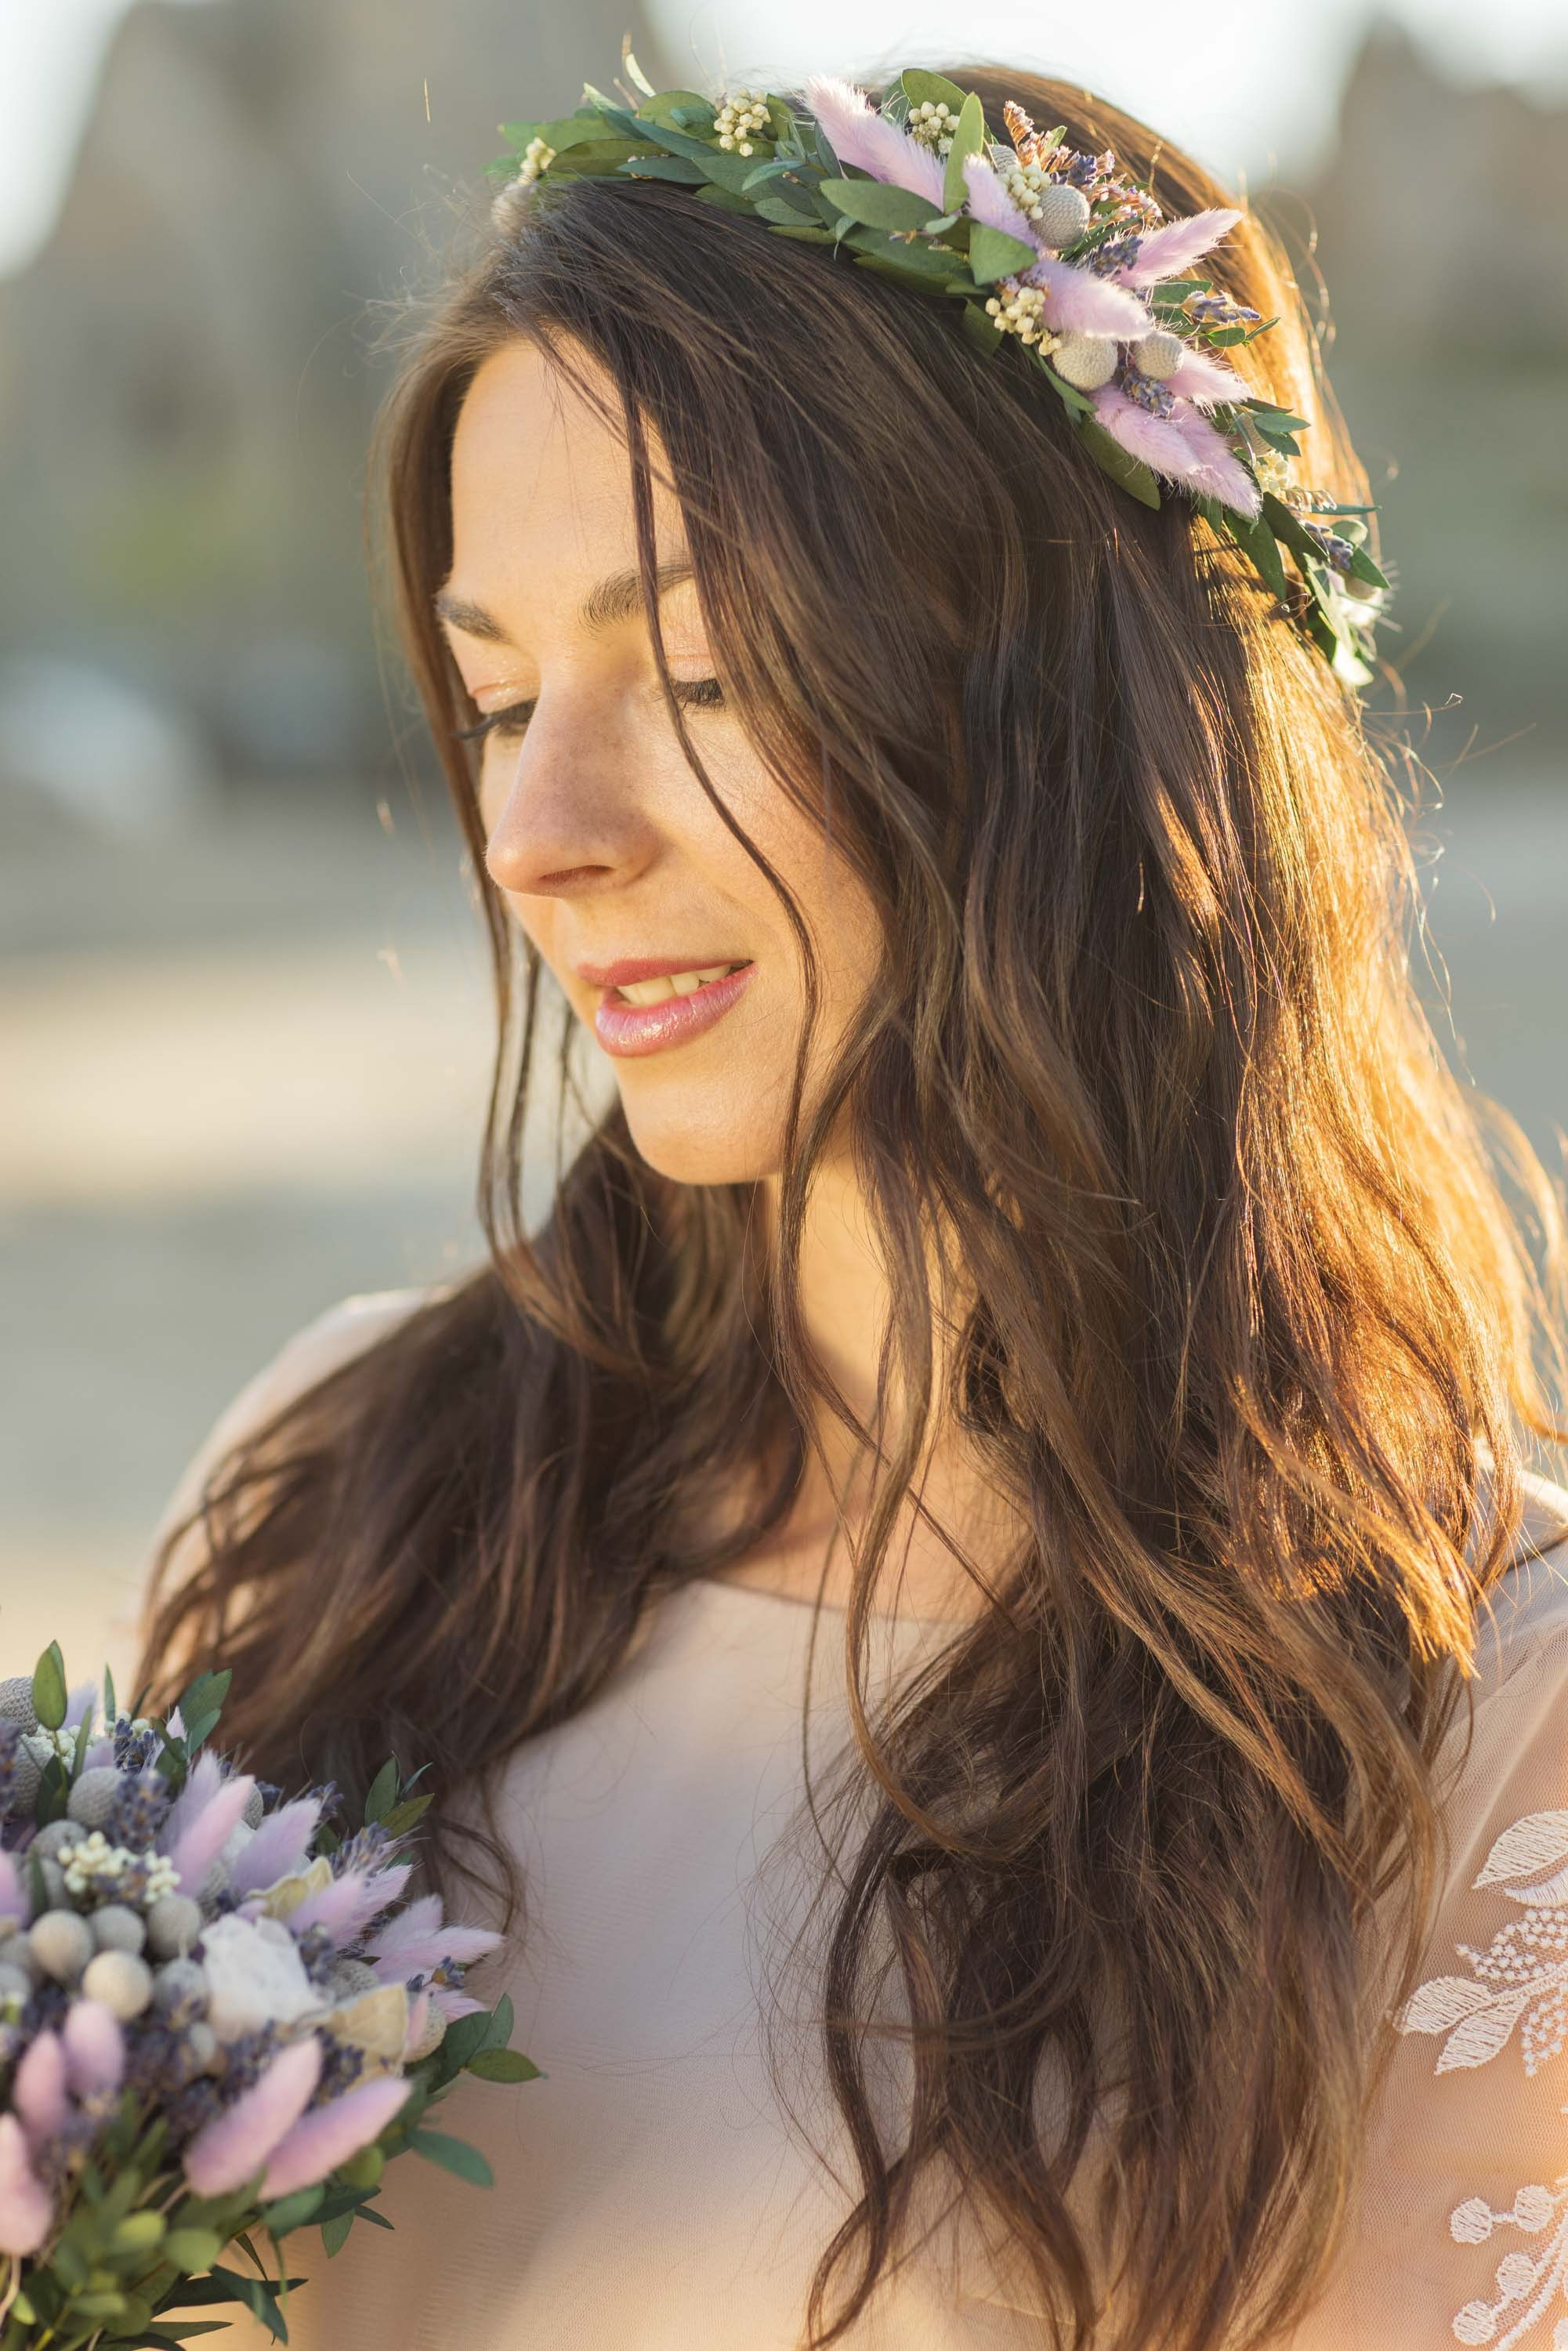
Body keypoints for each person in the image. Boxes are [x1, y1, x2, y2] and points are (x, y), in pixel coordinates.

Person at [135, 59, 1568, 2351]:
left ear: (1078, 708)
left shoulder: (1492, 1720)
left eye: (693, 670)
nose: (539, 833)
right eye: (499, 698)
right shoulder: (346, 1498)